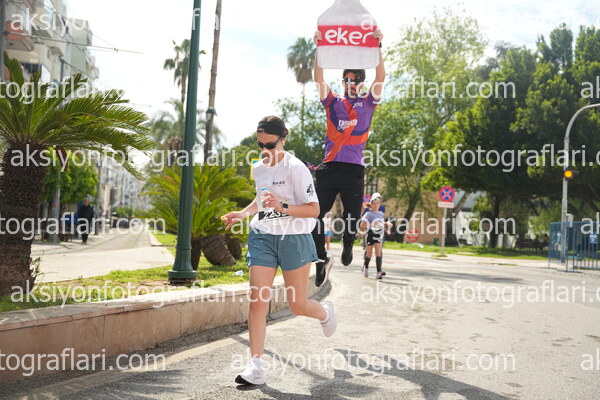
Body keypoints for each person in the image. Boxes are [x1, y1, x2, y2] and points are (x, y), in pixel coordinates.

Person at [222, 116, 337, 386]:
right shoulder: (259, 168)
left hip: (294, 238)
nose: (265, 150)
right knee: (258, 299)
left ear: (283, 138)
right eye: (260, 144)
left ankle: (324, 313)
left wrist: (283, 206)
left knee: (297, 304)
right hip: (263, 236)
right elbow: (261, 199)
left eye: (270, 145)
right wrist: (244, 213)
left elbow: (314, 209)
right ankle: (256, 367)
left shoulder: (296, 168)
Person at [311, 28, 385, 287]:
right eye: (347, 80)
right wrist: (319, 48)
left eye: (355, 80)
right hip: (329, 167)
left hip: (353, 170)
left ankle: (348, 241)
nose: (351, 84)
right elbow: (318, 78)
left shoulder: (369, 102)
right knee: (314, 215)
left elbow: (381, 76)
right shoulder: (332, 101)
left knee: (352, 218)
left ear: (361, 83)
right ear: (342, 82)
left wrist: (378, 46)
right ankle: (321, 258)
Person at [360, 193, 391, 279]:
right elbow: (362, 225)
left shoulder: (381, 213)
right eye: (374, 204)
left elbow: (380, 223)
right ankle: (365, 267)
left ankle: (378, 272)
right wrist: (372, 223)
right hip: (370, 234)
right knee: (369, 254)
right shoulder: (368, 214)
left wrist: (386, 224)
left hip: (378, 234)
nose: (376, 205)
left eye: (377, 203)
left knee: (378, 253)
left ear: (379, 204)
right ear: (371, 204)